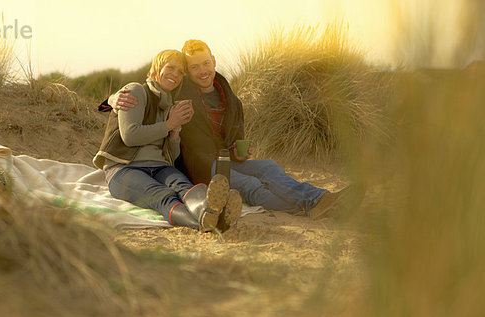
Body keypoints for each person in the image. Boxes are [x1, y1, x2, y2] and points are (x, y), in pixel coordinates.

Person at [106, 40, 365, 220]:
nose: (201, 71)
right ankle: (312, 206)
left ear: (213, 61)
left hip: (226, 159)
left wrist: (242, 151)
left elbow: (235, 141)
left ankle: (322, 199)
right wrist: (112, 98)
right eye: (193, 67)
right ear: (188, 72)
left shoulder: (231, 99)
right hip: (199, 166)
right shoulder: (180, 92)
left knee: (268, 167)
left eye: (205, 63)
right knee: (252, 186)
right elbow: (153, 84)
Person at [93, 49, 243, 232]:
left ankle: (212, 212)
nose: (176, 74)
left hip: (160, 166)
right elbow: (130, 136)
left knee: (186, 188)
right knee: (163, 196)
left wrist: (175, 131)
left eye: (180, 72)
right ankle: (206, 223)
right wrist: (111, 100)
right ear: (157, 67)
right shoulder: (135, 90)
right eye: (170, 67)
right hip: (124, 169)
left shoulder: (170, 104)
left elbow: (171, 155)